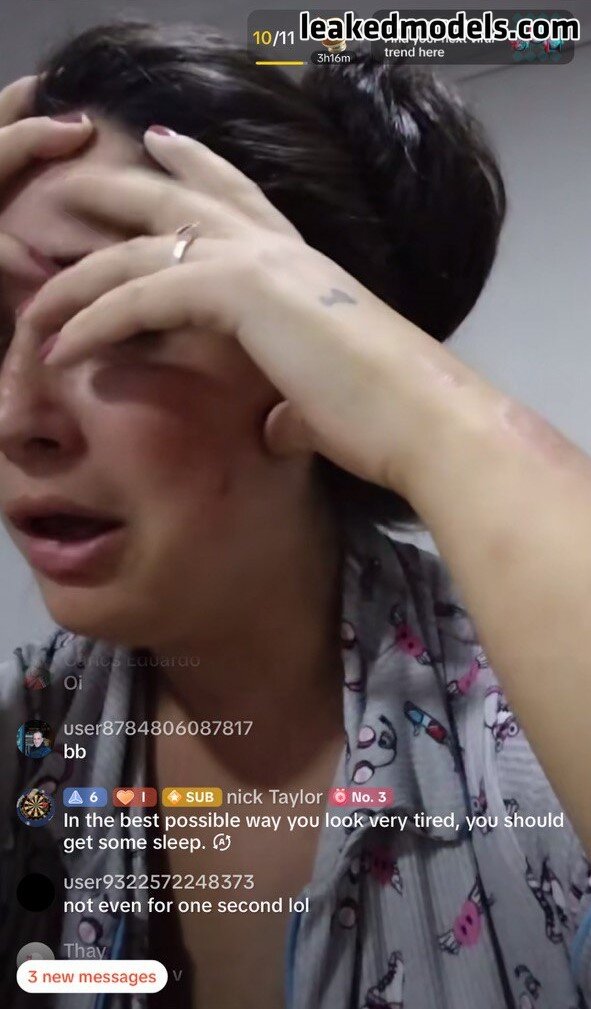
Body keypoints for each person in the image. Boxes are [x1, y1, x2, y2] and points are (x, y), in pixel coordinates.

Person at [0, 19, 589, 1009]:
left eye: (118, 317)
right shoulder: (32, 740)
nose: (17, 418)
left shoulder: (526, 737)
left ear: (300, 362)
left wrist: (430, 414)